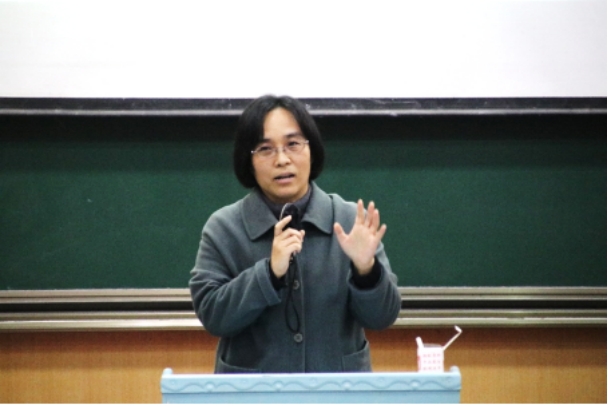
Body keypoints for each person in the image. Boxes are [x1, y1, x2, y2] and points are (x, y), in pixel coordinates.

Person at [189, 95, 401, 373]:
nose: (282, 159)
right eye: (265, 149)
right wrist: (268, 274)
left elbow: (382, 317)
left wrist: (366, 271)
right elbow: (213, 317)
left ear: (312, 150)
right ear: (248, 160)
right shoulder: (224, 228)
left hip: (338, 388)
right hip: (252, 391)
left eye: (293, 144)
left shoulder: (350, 221)